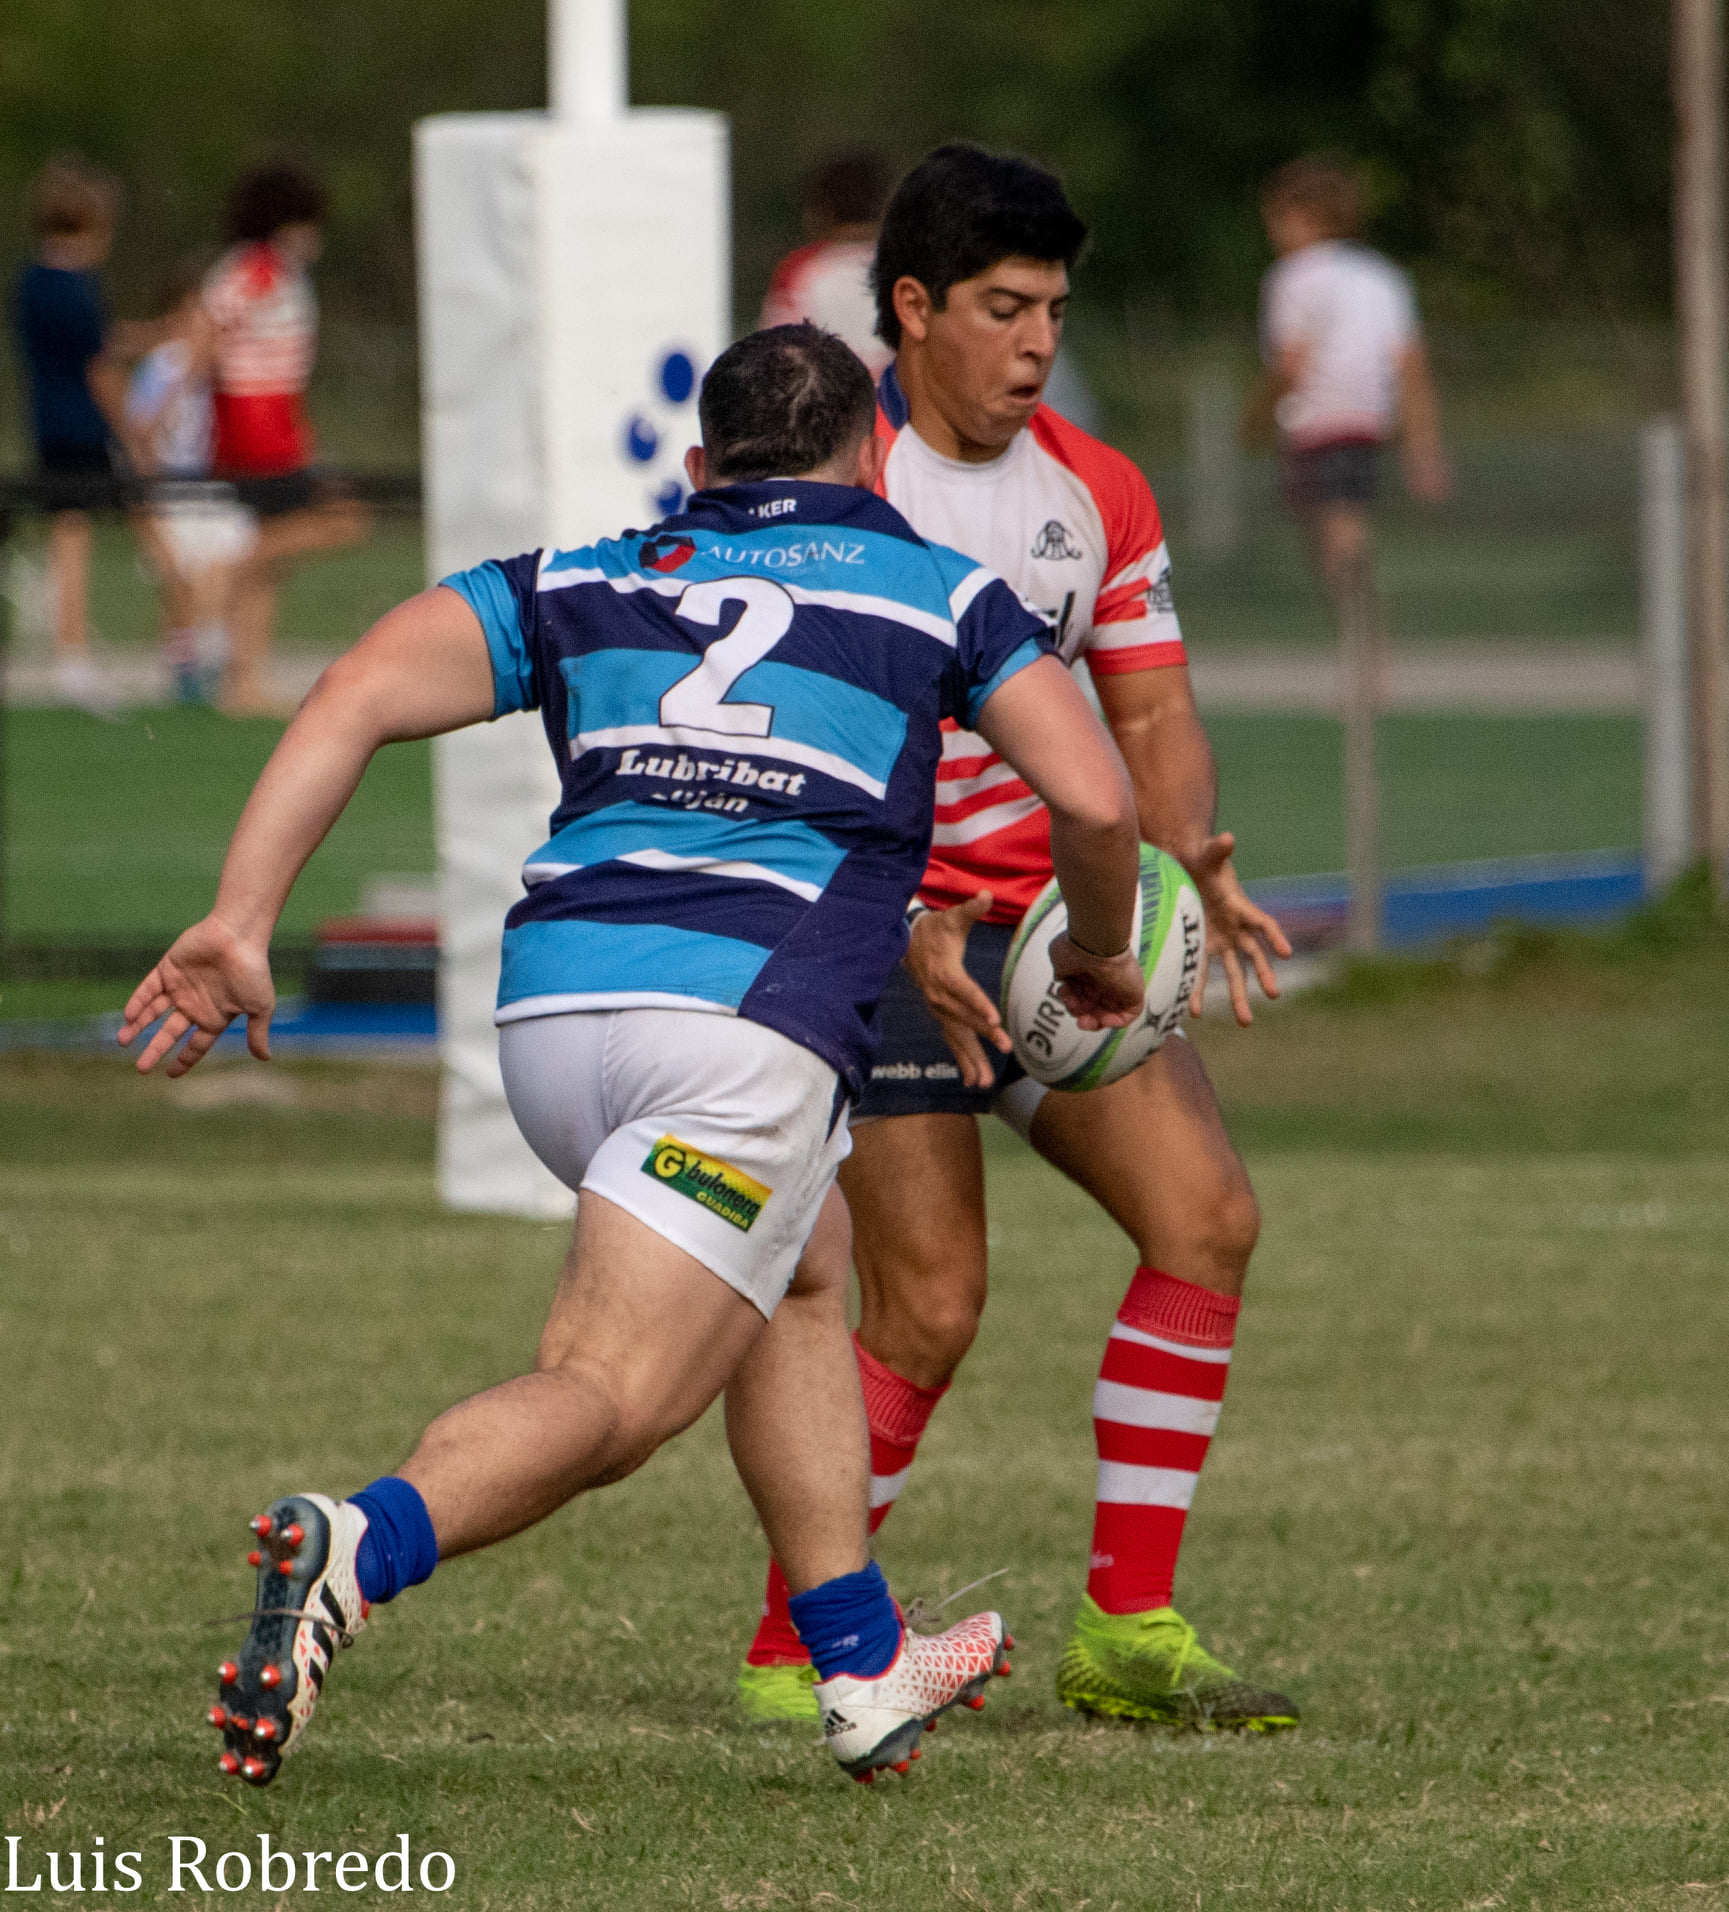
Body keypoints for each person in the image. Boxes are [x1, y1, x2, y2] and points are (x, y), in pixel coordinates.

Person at [119, 324, 1151, 1788]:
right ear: (873, 462)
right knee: (607, 1401)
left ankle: (855, 1663)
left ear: (695, 467)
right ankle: (361, 1542)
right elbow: (1096, 805)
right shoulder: (938, 589)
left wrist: (241, 917)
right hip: (740, 1032)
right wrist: (1102, 949)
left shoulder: (589, 575)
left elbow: (354, 689)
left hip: (552, 1023)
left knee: (805, 1263)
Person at [737, 145, 1300, 1734]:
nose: (1038, 338)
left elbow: (1153, 706)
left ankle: (1128, 1629)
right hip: (875, 939)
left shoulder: (1096, 486)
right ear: (910, 310)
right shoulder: (828, 483)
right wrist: (902, 911)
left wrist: (1185, 864)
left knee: (1208, 1221)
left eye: (1053, 306)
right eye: (1003, 307)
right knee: (928, 1301)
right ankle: (798, 1649)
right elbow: (791, 733)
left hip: (1069, 937)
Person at [203, 162, 369, 715]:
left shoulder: (276, 270)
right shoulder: (260, 267)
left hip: (278, 421)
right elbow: (210, 329)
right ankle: (225, 568)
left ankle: (241, 681)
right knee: (344, 520)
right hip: (256, 423)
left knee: (271, 555)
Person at [1246, 154, 1450, 598]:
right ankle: (1359, 633)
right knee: (1344, 526)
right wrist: (1424, 447)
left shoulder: (1291, 277)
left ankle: (1362, 641)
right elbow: (1410, 365)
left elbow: (1290, 365)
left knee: (1331, 542)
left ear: (1303, 217)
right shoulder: (1382, 276)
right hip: (1368, 418)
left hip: (1317, 419)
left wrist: (1255, 418)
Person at [10, 155, 132, 715]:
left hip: (46, 425)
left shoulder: (30, 282)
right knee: (82, 534)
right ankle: (73, 653)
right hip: (82, 430)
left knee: (72, 530)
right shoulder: (77, 288)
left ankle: (75, 649)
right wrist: (131, 433)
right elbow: (99, 367)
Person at [125, 259, 255, 703]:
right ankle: (187, 672)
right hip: (170, 488)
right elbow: (141, 432)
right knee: (183, 578)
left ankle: (211, 662)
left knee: (224, 564)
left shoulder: (223, 370)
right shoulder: (164, 367)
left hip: (211, 486)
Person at [759, 148, 892, 377]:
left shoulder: (801, 271)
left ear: (824, 209)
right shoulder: (910, 265)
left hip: (829, 403)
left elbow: (773, 351)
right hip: (899, 405)